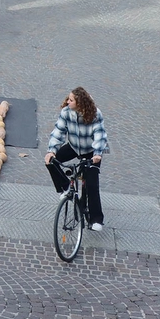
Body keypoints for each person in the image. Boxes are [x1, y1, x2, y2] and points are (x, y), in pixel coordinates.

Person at [45, 87, 110, 231]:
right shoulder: (66, 113)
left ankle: (96, 220)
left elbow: (100, 135)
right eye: (68, 99)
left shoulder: (95, 114)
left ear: (80, 103)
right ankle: (65, 187)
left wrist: (97, 154)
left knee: (92, 184)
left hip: (91, 151)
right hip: (74, 147)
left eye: (71, 100)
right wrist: (52, 151)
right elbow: (58, 132)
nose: (68, 101)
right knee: (51, 161)